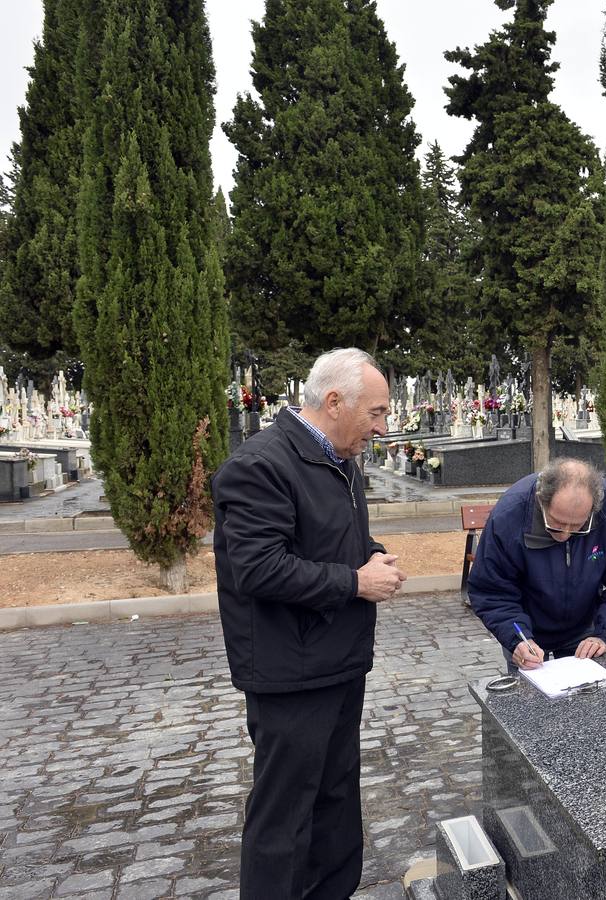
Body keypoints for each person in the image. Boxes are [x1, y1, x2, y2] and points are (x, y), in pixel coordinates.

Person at [213, 348, 407, 900]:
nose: (382, 426)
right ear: (334, 401)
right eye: (376, 412)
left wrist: (372, 555)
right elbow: (257, 568)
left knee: (336, 801)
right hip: (291, 672)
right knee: (285, 818)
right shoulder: (262, 465)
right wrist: (355, 582)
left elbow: (330, 541)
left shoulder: (339, 459)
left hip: (339, 662)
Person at [469, 458, 606, 671]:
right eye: (556, 524)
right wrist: (517, 639)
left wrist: (604, 636)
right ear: (542, 501)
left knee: (588, 699)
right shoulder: (510, 513)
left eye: (578, 526)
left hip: (584, 631)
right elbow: (492, 591)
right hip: (525, 628)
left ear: (593, 508)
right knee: (526, 700)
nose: (565, 535)